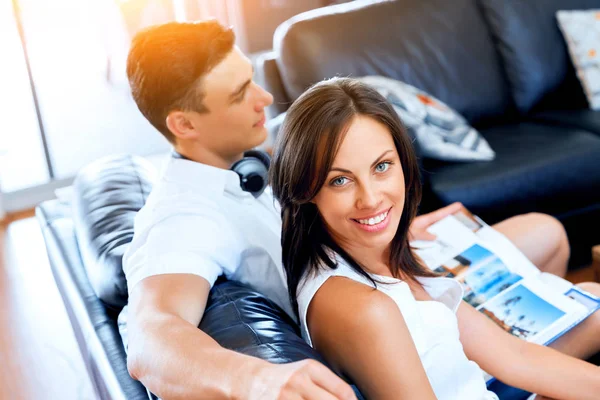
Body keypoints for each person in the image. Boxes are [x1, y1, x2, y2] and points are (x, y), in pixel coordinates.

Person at [123, 20, 584, 399]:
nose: (264, 99)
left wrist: (392, 224)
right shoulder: (184, 218)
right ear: (184, 124)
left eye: (254, 81)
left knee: (545, 232)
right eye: (240, 92)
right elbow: (150, 337)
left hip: (374, 266)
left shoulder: (241, 168)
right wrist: (258, 378)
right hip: (374, 321)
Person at [269, 77, 600, 400]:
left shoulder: (379, 257)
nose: (370, 198)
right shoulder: (365, 309)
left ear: (403, 163)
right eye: (340, 181)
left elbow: (515, 357)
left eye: (381, 166)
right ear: (305, 189)